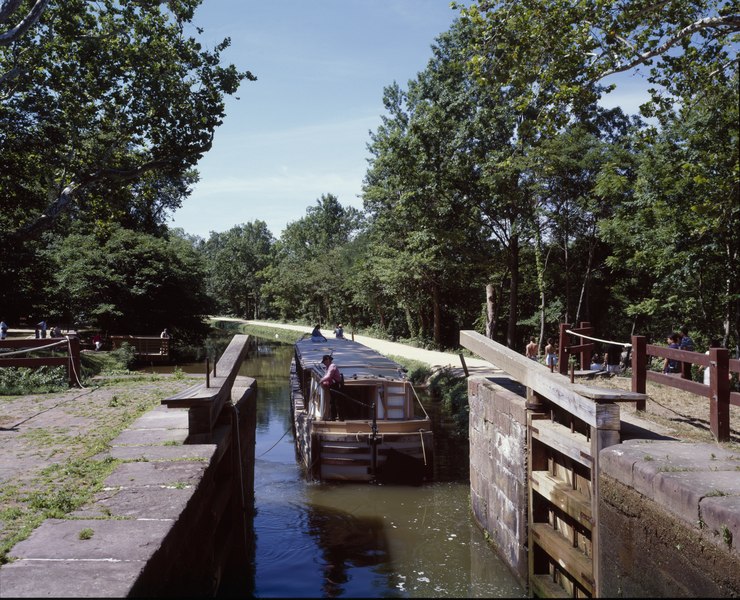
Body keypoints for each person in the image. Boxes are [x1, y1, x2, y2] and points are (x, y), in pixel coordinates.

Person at [320, 354, 342, 420]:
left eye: (324, 362)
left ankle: (339, 417)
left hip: (336, 385)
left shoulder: (332, 366)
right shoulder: (328, 367)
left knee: (336, 401)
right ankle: (333, 417)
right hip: (332, 385)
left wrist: (321, 380)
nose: (324, 363)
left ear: (328, 360)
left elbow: (329, 376)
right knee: (332, 401)